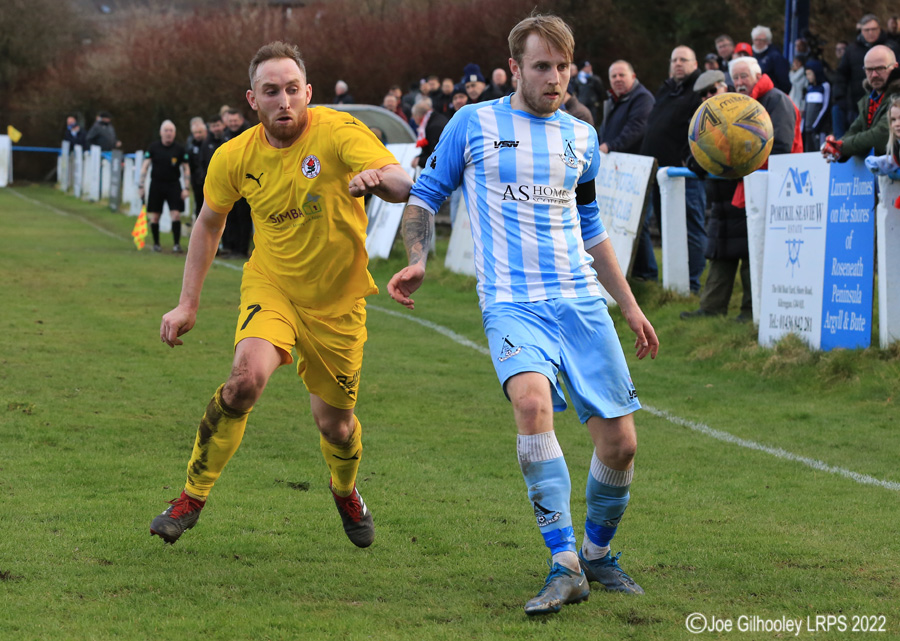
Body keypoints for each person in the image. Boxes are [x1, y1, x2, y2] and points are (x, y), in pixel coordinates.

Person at [387, 14, 658, 616]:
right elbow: (426, 195)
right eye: (542, 66)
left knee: (620, 446)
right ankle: (562, 563)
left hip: (581, 304)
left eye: (563, 67)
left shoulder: (581, 136)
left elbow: (591, 227)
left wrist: (631, 306)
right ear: (515, 68)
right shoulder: (473, 123)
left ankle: (596, 554)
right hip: (511, 302)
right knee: (533, 405)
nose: (555, 78)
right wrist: (417, 261)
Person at [150, 41, 413, 548]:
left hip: (337, 302)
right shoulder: (234, 156)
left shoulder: (339, 133)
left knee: (335, 426)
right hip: (271, 286)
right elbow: (208, 223)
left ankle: (345, 490)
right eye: (272, 91)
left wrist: (381, 179)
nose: (284, 101)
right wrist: (188, 302)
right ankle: (190, 497)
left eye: (293, 90)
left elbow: (404, 183)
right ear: (253, 99)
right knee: (244, 381)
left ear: (308, 92)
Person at [680, 71, 753, 322]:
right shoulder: (702, 120)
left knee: (748, 254)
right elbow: (693, 155)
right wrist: (700, 162)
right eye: (704, 94)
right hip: (720, 199)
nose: (708, 97)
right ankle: (711, 308)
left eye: (713, 91)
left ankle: (750, 310)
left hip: (741, 195)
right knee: (719, 252)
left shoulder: (741, 112)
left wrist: (704, 162)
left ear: (725, 88)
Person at [636, 46, 705, 292]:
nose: (677, 63)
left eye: (683, 60)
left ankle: (693, 284)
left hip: (682, 173)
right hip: (659, 172)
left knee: (690, 228)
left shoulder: (700, 91)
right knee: (668, 228)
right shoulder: (667, 89)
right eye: (674, 59)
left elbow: (701, 131)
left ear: (695, 64)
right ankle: (674, 284)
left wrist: (688, 160)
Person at [822, 45, 900, 162]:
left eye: (880, 68)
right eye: (869, 69)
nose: (874, 75)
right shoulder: (868, 99)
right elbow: (855, 129)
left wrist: (841, 147)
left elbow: (880, 135)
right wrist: (836, 147)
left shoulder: (897, 96)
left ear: (895, 67)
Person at [835, 15, 900, 124]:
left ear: (880, 29)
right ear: (861, 31)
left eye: (874, 29)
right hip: (857, 103)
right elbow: (841, 75)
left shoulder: (892, 47)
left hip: (885, 102)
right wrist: (840, 97)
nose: (870, 33)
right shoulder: (851, 50)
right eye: (867, 30)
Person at [137, 120, 191, 253]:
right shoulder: (153, 147)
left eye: (171, 131)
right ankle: (156, 243)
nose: (168, 133)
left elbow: (186, 168)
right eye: (166, 130)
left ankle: (176, 244)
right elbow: (145, 166)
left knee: (176, 215)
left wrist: (186, 188)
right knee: (155, 216)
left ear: (174, 133)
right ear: (161, 132)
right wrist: (141, 185)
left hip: (173, 185)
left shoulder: (179, 149)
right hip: (156, 184)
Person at [599, 60, 655, 155]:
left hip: (633, 161)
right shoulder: (612, 100)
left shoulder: (643, 98)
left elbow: (635, 129)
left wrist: (610, 146)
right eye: (614, 76)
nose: (618, 79)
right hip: (612, 160)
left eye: (622, 75)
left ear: (633, 77)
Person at [411, 97, 448, 171]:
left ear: (418, 116)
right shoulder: (435, 119)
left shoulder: (434, 127)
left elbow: (436, 156)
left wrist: (420, 161)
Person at [751, 25, 791, 93]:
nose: (758, 43)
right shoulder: (750, 55)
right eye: (756, 40)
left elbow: (784, 82)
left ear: (768, 41)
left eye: (761, 40)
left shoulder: (776, 56)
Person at [186, 117, 209, 222]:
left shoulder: (210, 144)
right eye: (195, 133)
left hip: (210, 180)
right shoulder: (191, 146)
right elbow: (190, 165)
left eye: (200, 132)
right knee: (199, 206)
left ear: (205, 131)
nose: (198, 135)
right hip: (197, 182)